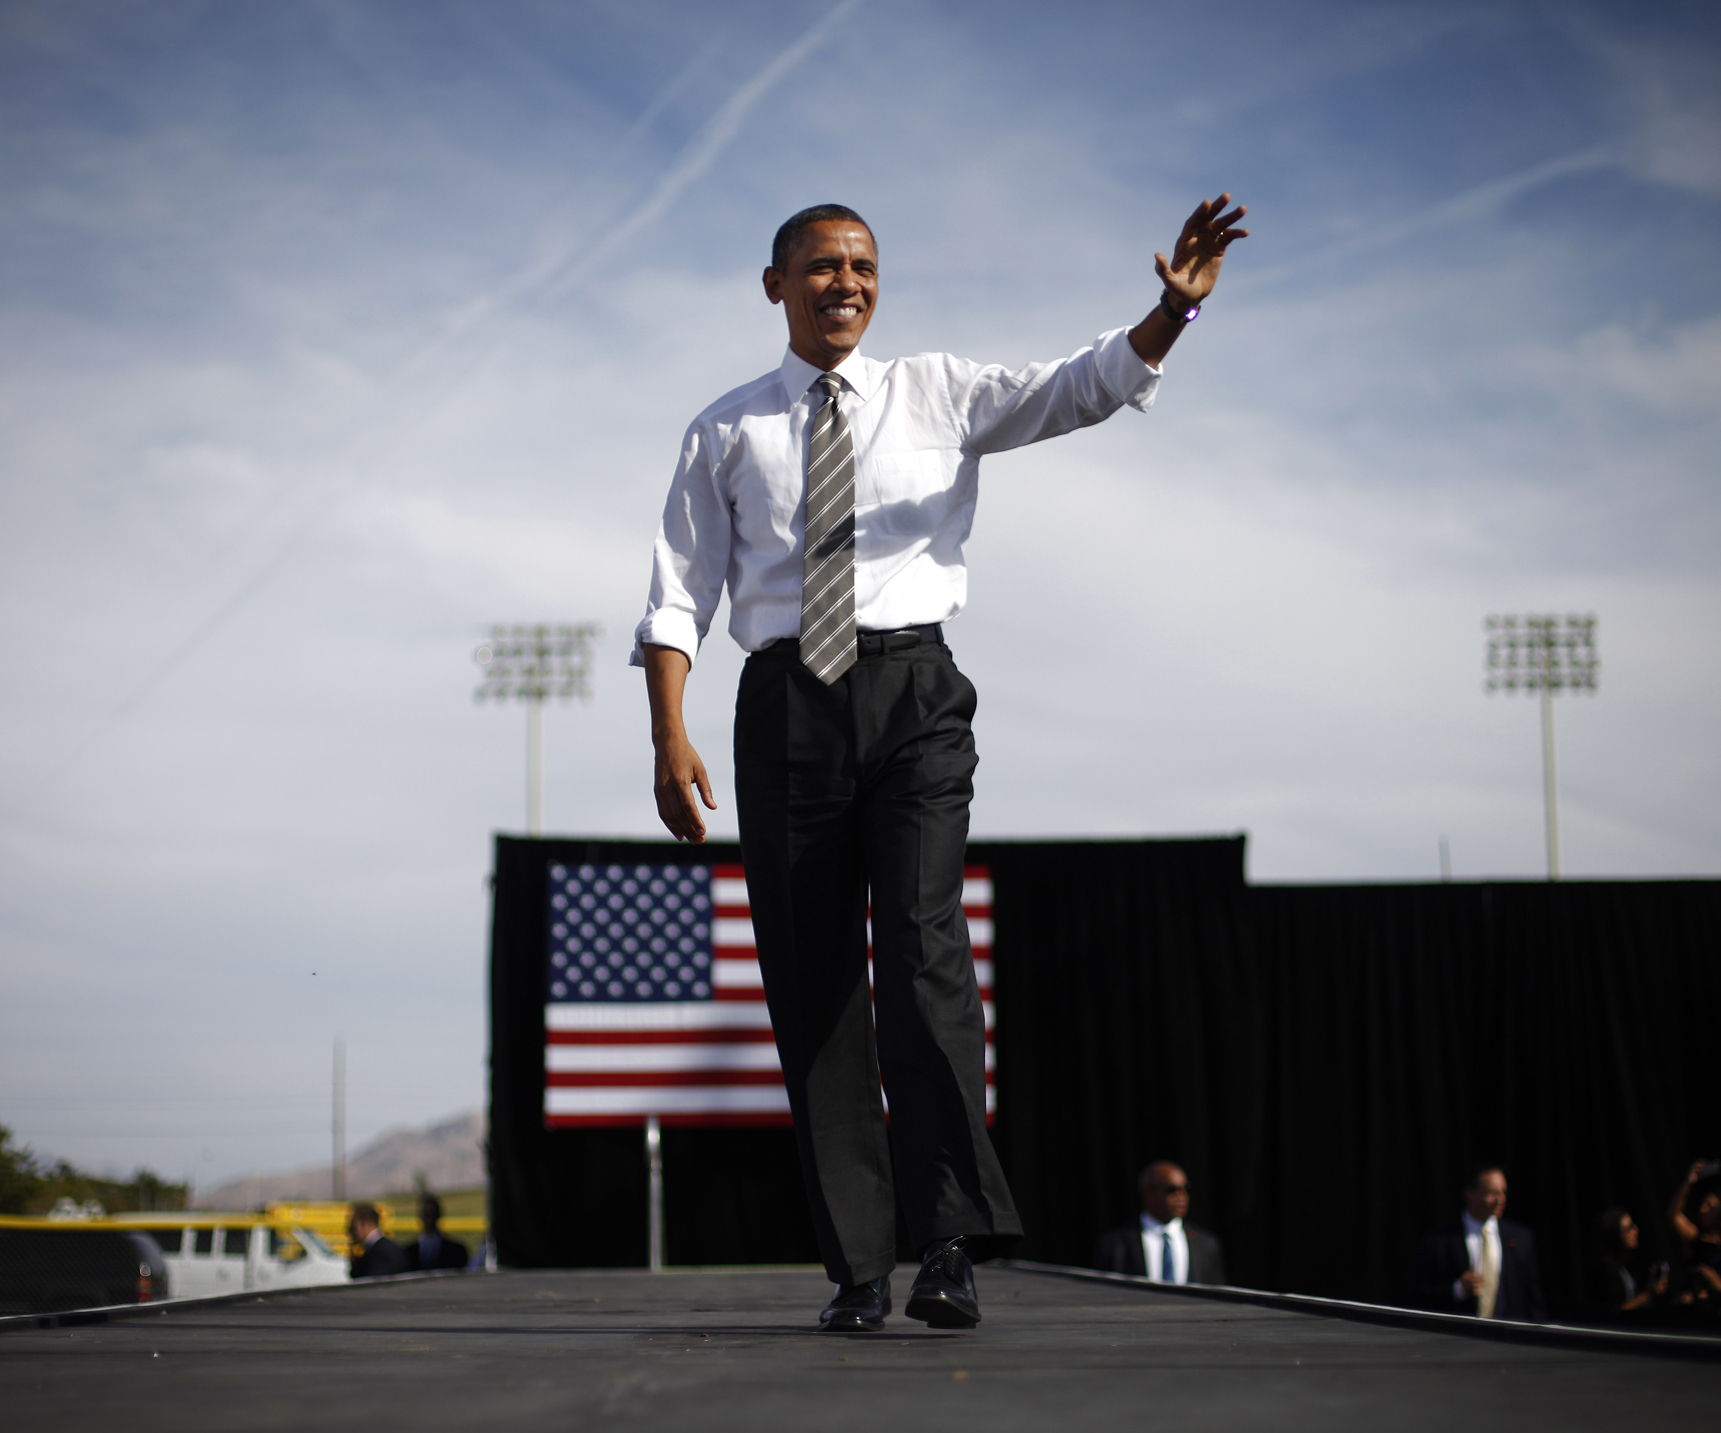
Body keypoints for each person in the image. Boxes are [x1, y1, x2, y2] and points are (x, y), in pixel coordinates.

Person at [634, 194, 1247, 1333]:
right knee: (813, 983)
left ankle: (947, 1243)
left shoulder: (935, 392)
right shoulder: (721, 431)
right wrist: (668, 735)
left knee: (921, 950)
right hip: (783, 707)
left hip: (912, 691)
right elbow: (678, 595)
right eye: (819, 266)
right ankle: (859, 1263)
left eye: (862, 265)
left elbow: (1080, 387)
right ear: (774, 285)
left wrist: (1170, 311)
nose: (844, 283)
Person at [1412, 1166, 1547, 1321]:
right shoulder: (1440, 1241)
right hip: (1459, 1336)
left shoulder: (1521, 1238)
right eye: (1492, 1193)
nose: (1500, 1200)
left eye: (1503, 1192)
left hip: (1509, 1337)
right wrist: (1458, 1290)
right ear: (1470, 1194)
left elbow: (1533, 1296)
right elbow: (1420, 1295)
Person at [1092, 1160, 1227, 1285]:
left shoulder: (1206, 1244)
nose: (1182, 1197)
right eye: (1172, 1190)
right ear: (1149, 1193)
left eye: (1185, 1189)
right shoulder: (1115, 1244)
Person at [1583, 1207, 1670, 1321]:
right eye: (1629, 1228)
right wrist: (1647, 1295)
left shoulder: (1625, 1266)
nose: (1636, 1230)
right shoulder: (1607, 1270)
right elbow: (1613, 1314)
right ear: (1615, 1234)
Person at [1666, 1158, 1721, 1314]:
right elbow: (1673, 1216)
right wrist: (1689, 1182)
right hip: (1700, 1305)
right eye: (1702, 1205)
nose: (1703, 1210)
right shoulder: (1696, 1236)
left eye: (1710, 1205)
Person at [402, 1194, 469, 1272]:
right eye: (427, 1215)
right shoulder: (408, 1253)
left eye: (432, 1214)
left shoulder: (457, 1251)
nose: (430, 1220)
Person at [347, 1202, 409, 1279]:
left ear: (364, 1224)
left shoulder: (380, 1253)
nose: (349, 1231)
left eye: (352, 1226)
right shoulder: (382, 1248)